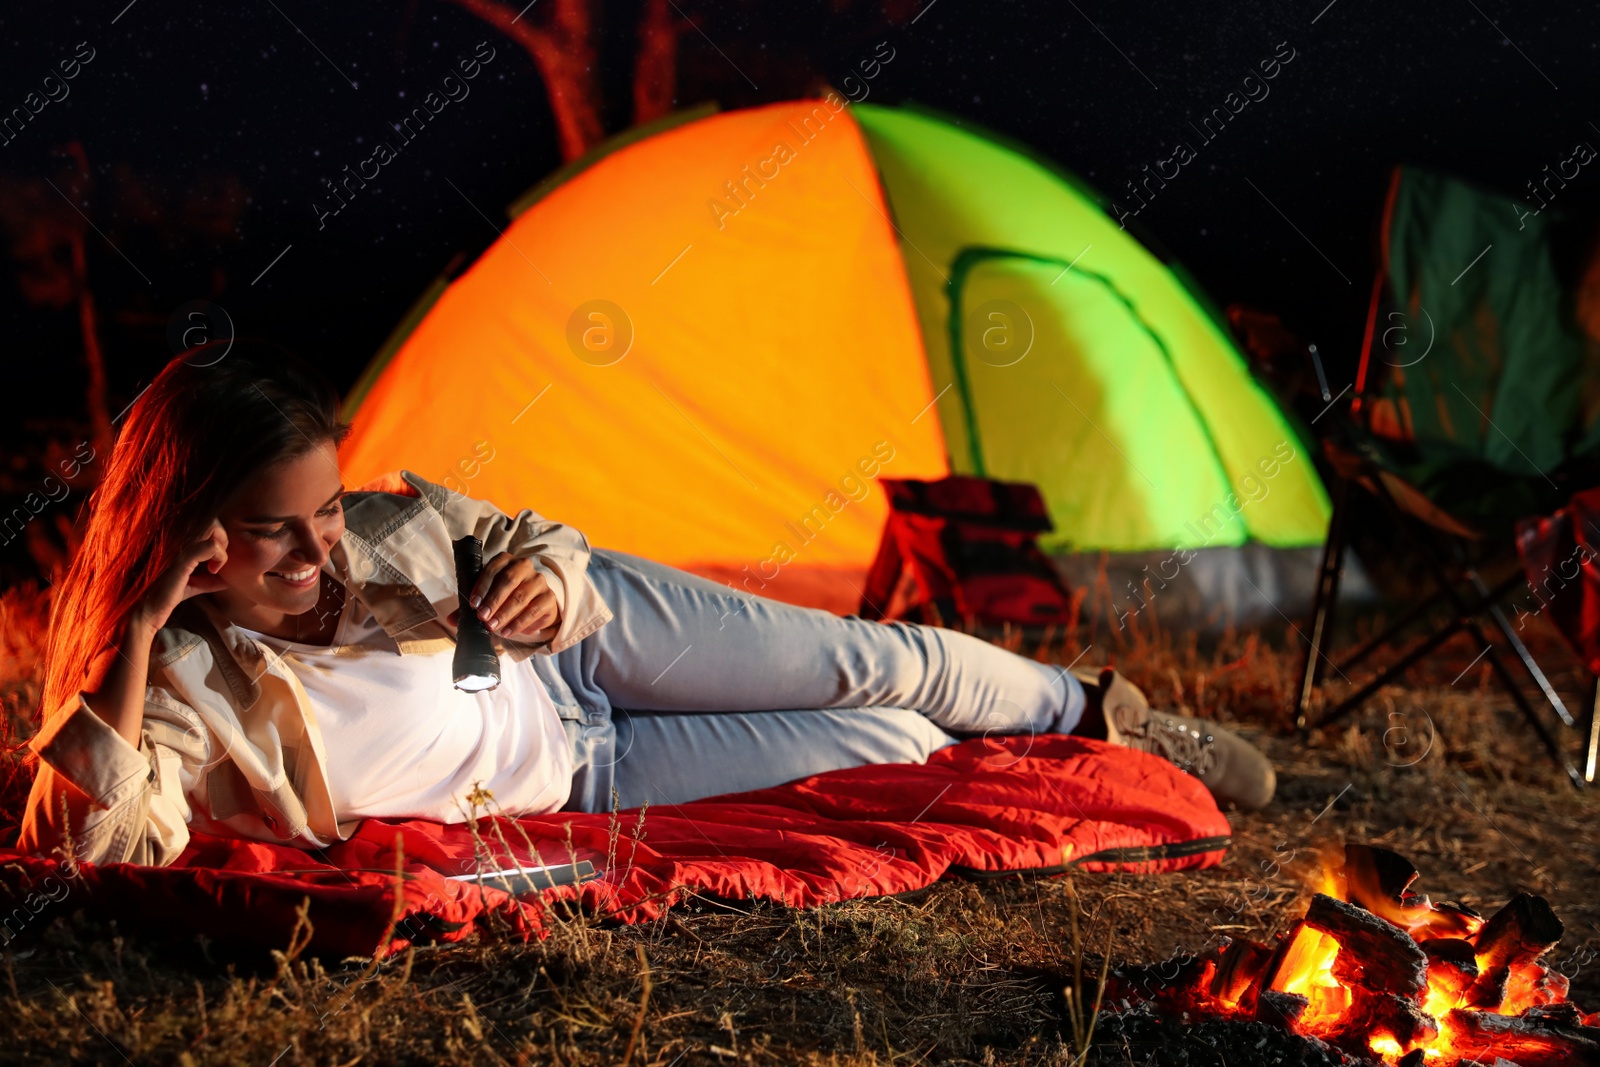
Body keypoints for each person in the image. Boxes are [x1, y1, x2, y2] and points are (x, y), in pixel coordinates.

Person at [17, 343, 1274, 870]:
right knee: (892, 742)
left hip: (587, 638)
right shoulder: (184, 689)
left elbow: (529, 536)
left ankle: (1109, 711)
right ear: (190, 529)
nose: (316, 548)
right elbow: (90, 845)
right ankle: (1052, 744)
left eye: (327, 509)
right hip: (588, 766)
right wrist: (134, 636)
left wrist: (548, 578)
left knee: (877, 663)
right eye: (275, 526)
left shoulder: (387, 535)